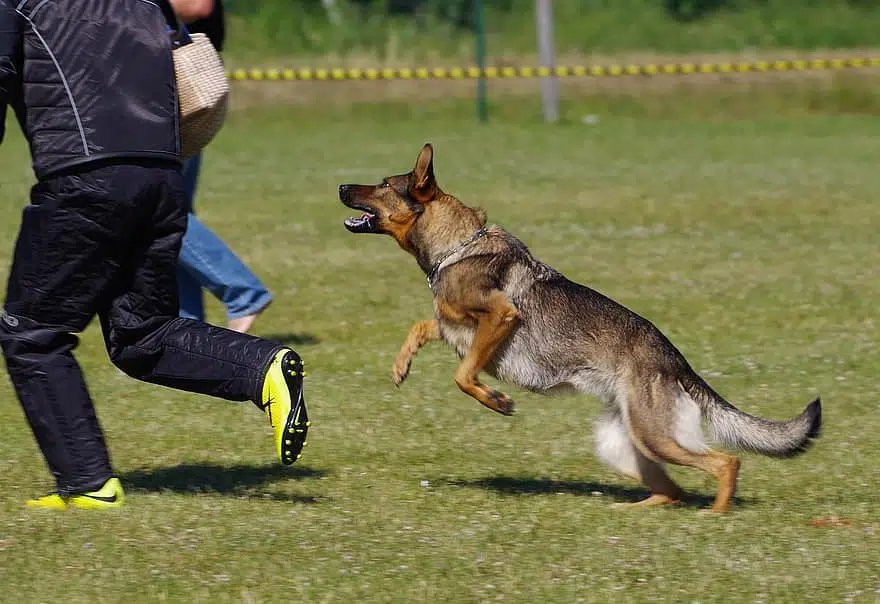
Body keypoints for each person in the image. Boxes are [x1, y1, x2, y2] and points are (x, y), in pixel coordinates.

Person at [0, 0, 309, 510]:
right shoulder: (144, 1)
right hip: (162, 177)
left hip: (84, 177)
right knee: (141, 333)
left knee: (31, 334)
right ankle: (264, 367)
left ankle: (87, 484)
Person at [170, 0, 273, 334]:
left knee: (159, 212)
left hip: (169, 90)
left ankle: (242, 293)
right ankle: (187, 326)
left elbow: (197, 6)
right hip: (163, 88)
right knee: (174, 210)